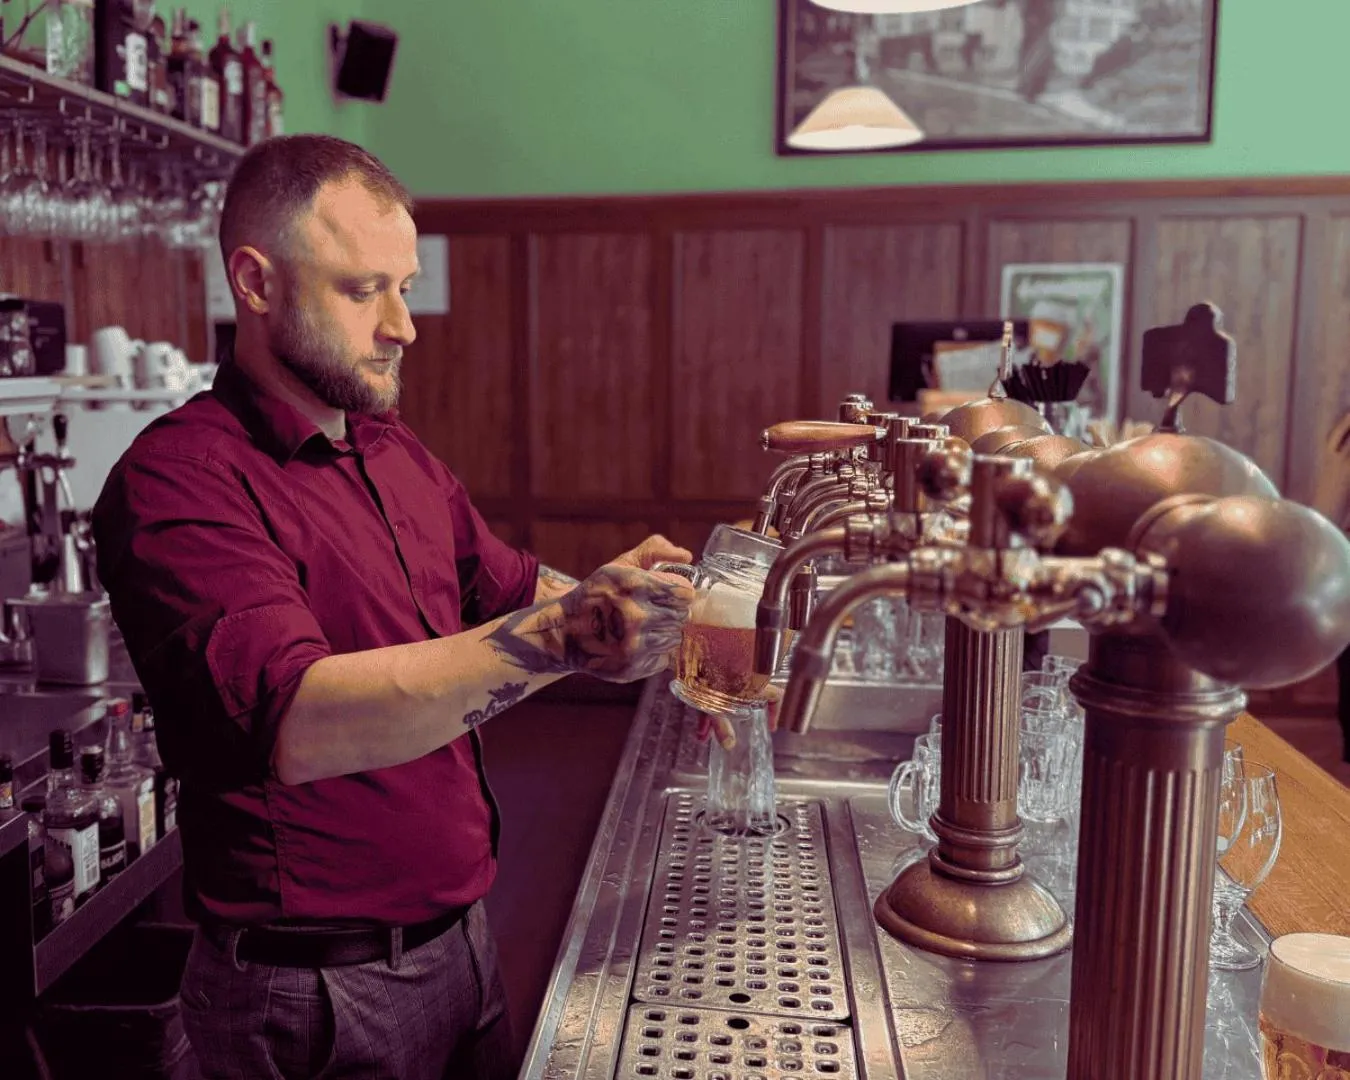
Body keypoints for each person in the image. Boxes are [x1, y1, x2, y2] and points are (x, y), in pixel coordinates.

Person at [91, 135, 695, 1080]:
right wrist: (566, 636)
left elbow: (509, 588)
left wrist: (637, 606)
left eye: (404, 286)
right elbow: (301, 721)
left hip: (463, 939)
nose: (404, 325)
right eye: (364, 289)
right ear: (255, 283)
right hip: (311, 997)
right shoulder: (180, 480)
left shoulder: (390, 449)